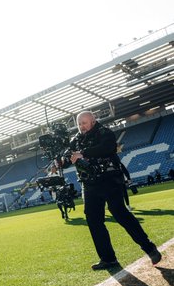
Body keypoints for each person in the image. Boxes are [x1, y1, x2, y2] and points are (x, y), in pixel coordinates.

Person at [67, 111, 162, 270]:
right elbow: (68, 156)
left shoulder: (105, 132)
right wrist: (61, 160)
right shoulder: (76, 139)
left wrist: (82, 153)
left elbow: (107, 147)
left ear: (93, 121)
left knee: (120, 213)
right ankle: (108, 259)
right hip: (89, 184)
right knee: (93, 220)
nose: (82, 126)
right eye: (79, 123)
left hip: (110, 179)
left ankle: (149, 248)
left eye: (84, 122)